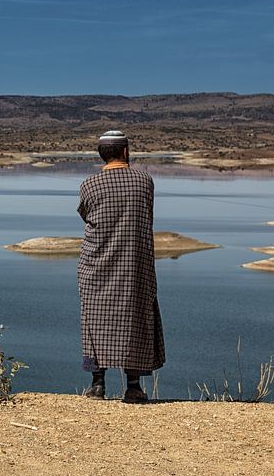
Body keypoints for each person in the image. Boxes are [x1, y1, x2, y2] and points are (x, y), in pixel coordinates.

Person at [77, 130, 165, 403]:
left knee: (96, 318)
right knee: (136, 318)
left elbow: (85, 214)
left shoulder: (89, 184)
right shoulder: (144, 181)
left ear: (101, 154)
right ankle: (134, 387)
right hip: (135, 265)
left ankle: (98, 384)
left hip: (96, 264)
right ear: (125, 152)